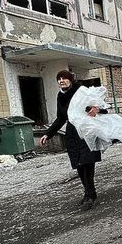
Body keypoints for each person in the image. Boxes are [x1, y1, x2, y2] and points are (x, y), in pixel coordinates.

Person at [39, 70, 105, 210]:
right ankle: (88, 193)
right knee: (79, 165)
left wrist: (95, 109)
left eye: (64, 78)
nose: (61, 81)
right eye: (59, 79)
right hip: (71, 132)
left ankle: (90, 195)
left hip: (85, 130)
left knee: (88, 163)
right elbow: (60, 118)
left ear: (71, 80)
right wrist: (48, 134)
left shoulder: (81, 91)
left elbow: (100, 106)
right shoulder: (60, 96)